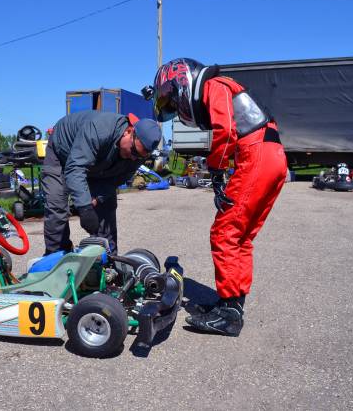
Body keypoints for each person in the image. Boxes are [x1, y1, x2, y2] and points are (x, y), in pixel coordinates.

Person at [144, 58, 287, 336]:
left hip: (257, 154)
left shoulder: (214, 85)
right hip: (272, 155)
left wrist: (217, 172)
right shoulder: (224, 86)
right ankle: (232, 304)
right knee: (241, 236)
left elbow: (225, 130)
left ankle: (229, 315)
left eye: (172, 100)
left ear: (182, 81)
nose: (175, 107)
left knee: (224, 233)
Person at [41, 110, 161, 255]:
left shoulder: (138, 154)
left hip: (95, 162)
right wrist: (85, 207)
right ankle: (56, 255)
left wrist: (97, 197)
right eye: (134, 151)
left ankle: (107, 257)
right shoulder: (99, 129)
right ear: (128, 132)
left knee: (106, 205)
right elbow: (75, 168)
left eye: (139, 156)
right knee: (57, 205)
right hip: (62, 153)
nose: (134, 158)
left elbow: (115, 181)